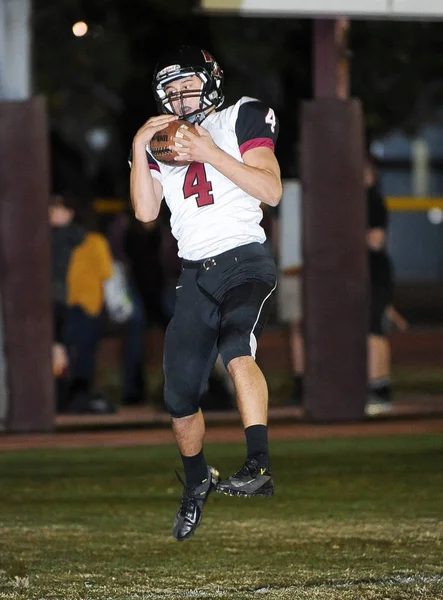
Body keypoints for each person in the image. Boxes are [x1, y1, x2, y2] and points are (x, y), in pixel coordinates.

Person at [130, 45, 282, 541]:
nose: (179, 96)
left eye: (187, 84)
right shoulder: (161, 142)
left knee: (236, 343)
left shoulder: (242, 116)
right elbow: (146, 213)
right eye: (170, 91)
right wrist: (138, 147)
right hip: (194, 273)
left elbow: (271, 190)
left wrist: (210, 152)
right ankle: (197, 480)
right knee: (178, 396)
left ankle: (257, 462)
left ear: (211, 79)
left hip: (243, 258)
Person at [364, 157, 396, 416]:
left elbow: (376, 240)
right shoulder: (361, 198)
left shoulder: (372, 199)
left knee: (374, 330)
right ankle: (377, 386)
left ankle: (380, 388)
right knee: (371, 330)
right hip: (367, 273)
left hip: (376, 273)